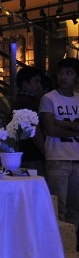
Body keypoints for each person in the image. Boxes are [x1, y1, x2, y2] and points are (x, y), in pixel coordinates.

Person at [39, 57, 79, 232]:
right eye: (61, 73)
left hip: (77, 158)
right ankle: (59, 244)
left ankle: (71, 244)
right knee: (58, 209)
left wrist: (63, 123)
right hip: (57, 158)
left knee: (75, 209)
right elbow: (51, 129)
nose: (63, 77)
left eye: (69, 73)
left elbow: (56, 126)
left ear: (76, 77)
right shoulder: (49, 98)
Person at [12, 66, 46, 172]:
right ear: (25, 84)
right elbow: (34, 131)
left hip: (27, 154)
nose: (39, 85)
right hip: (31, 155)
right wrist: (46, 152)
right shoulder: (26, 103)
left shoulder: (24, 100)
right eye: (36, 81)